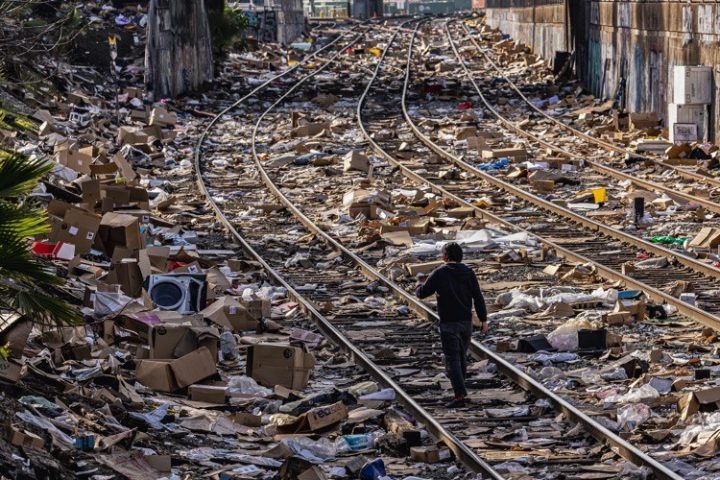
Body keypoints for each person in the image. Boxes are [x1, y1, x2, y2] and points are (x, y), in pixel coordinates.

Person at [415, 242, 488, 408]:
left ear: (444, 257)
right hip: (466, 323)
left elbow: (422, 293)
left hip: (449, 323)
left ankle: (460, 395)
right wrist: (483, 320)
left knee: (452, 359)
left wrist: (418, 285)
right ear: (461, 256)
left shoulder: (439, 273)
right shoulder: (469, 273)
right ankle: (461, 390)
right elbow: (478, 297)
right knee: (461, 356)